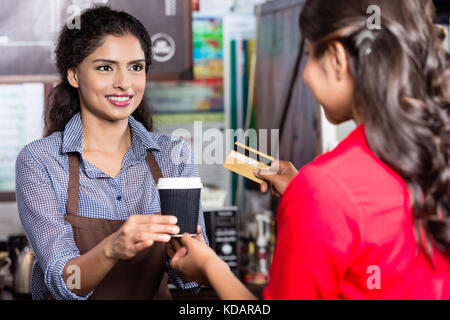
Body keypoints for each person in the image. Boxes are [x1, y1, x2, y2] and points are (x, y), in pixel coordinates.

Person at [168, 0, 450, 299]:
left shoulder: (324, 189)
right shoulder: (433, 155)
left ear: (339, 59)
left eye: (310, 55)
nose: (306, 74)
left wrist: (211, 267)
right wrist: (303, 194)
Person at [15, 6, 207, 300]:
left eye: (136, 67)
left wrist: (191, 257)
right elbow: (62, 280)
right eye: (106, 67)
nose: (125, 82)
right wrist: (113, 247)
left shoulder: (173, 155)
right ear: (74, 75)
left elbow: (188, 282)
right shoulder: (40, 161)